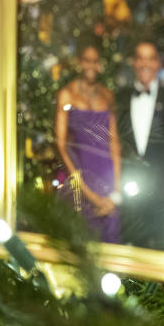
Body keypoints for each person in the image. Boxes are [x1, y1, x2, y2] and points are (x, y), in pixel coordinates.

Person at [115, 40, 164, 251]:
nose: (145, 63)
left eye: (150, 58)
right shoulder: (119, 99)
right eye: (140, 57)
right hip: (127, 204)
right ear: (134, 62)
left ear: (158, 63)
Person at [55, 43, 121, 243]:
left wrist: (115, 193)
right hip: (81, 178)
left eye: (95, 61)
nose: (91, 65)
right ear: (79, 63)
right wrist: (90, 195)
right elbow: (61, 145)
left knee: (110, 243)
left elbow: (115, 144)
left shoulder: (107, 96)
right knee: (83, 244)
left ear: (100, 65)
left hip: (108, 180)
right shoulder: (67, 95)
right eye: (87, 60)